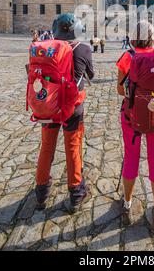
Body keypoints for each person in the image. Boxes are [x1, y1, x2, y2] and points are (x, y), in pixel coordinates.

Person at [116, 21, 154, 233]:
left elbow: (120, 91)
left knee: (131, 157)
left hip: (132, 117)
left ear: (133, 38)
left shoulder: (127, 57)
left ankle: (127, 206)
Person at [34, 14, 94, 212]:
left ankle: (41, 191)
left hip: (49, 106)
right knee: (73, 148)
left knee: (47, 147)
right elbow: (90, 74)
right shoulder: (83, 48)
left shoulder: (46, 48)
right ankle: (76, 193)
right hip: (72, 108)